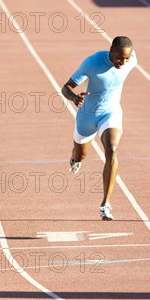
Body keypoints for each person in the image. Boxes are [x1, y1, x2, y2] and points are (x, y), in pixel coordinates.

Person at [62, 36, 137, 221]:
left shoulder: (132, 60)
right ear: (111, 50)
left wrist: (127, 60)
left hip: (110, 113)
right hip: (87, 115)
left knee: (111, 150)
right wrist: (74, 98)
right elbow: (66, 87)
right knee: (81, 154)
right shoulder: (92, 62)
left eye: (126, 58)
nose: (123, 62)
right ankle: (74, 159)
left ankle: (105, 204)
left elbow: (129, 60)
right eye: (120, 57)